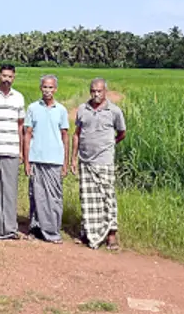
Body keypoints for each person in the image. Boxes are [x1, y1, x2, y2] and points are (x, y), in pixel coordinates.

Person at [71, 78, 126, 251]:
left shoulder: (114, 111)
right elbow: (77, 134)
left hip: (104, 161)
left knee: (107, 197)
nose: (96, 94)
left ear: (105, 92)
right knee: (88, 198)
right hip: (85, 160)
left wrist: (109, 145)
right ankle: (88, 233)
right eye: (93, 91)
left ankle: (111, 236)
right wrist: (73, 157)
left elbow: (122, 133)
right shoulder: (82, 109)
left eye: (99, 91)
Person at [23, 74, 69, 244]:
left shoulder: (61, 110)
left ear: (55, 89)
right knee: (36, 195)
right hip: (37, 158)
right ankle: (36, 228)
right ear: (40, 88)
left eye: (51, 87)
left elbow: (65, 136)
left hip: (55, 160)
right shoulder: (33, 108)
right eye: (45, 87)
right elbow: (27, 134)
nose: (47, 90)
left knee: (54, 197)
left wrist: (65, 162)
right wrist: (27, 160)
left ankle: (52, 231)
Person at [0, 64, 26, 240]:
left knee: (10, 190)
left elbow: (20, 126)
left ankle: (9, 228)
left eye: (10, 76)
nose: (7, 79)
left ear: (14, 77)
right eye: (4, 76)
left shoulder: (19, 98)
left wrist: (22, 151)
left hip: (11, 149)